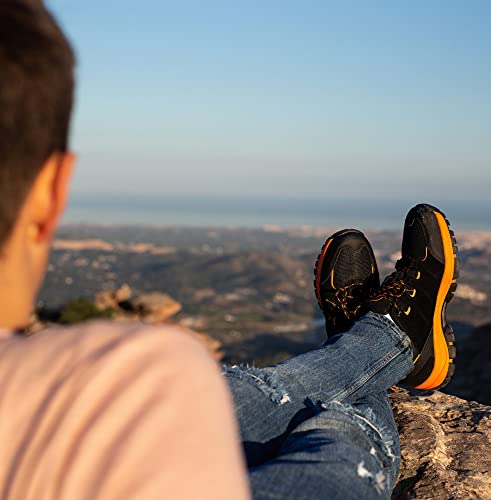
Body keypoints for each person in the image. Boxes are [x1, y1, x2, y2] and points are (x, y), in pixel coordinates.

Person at [0, 1, 459, 499]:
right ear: (52, 190)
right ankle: (388, 341)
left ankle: (382, 343)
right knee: (333, 435)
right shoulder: (119, 379)